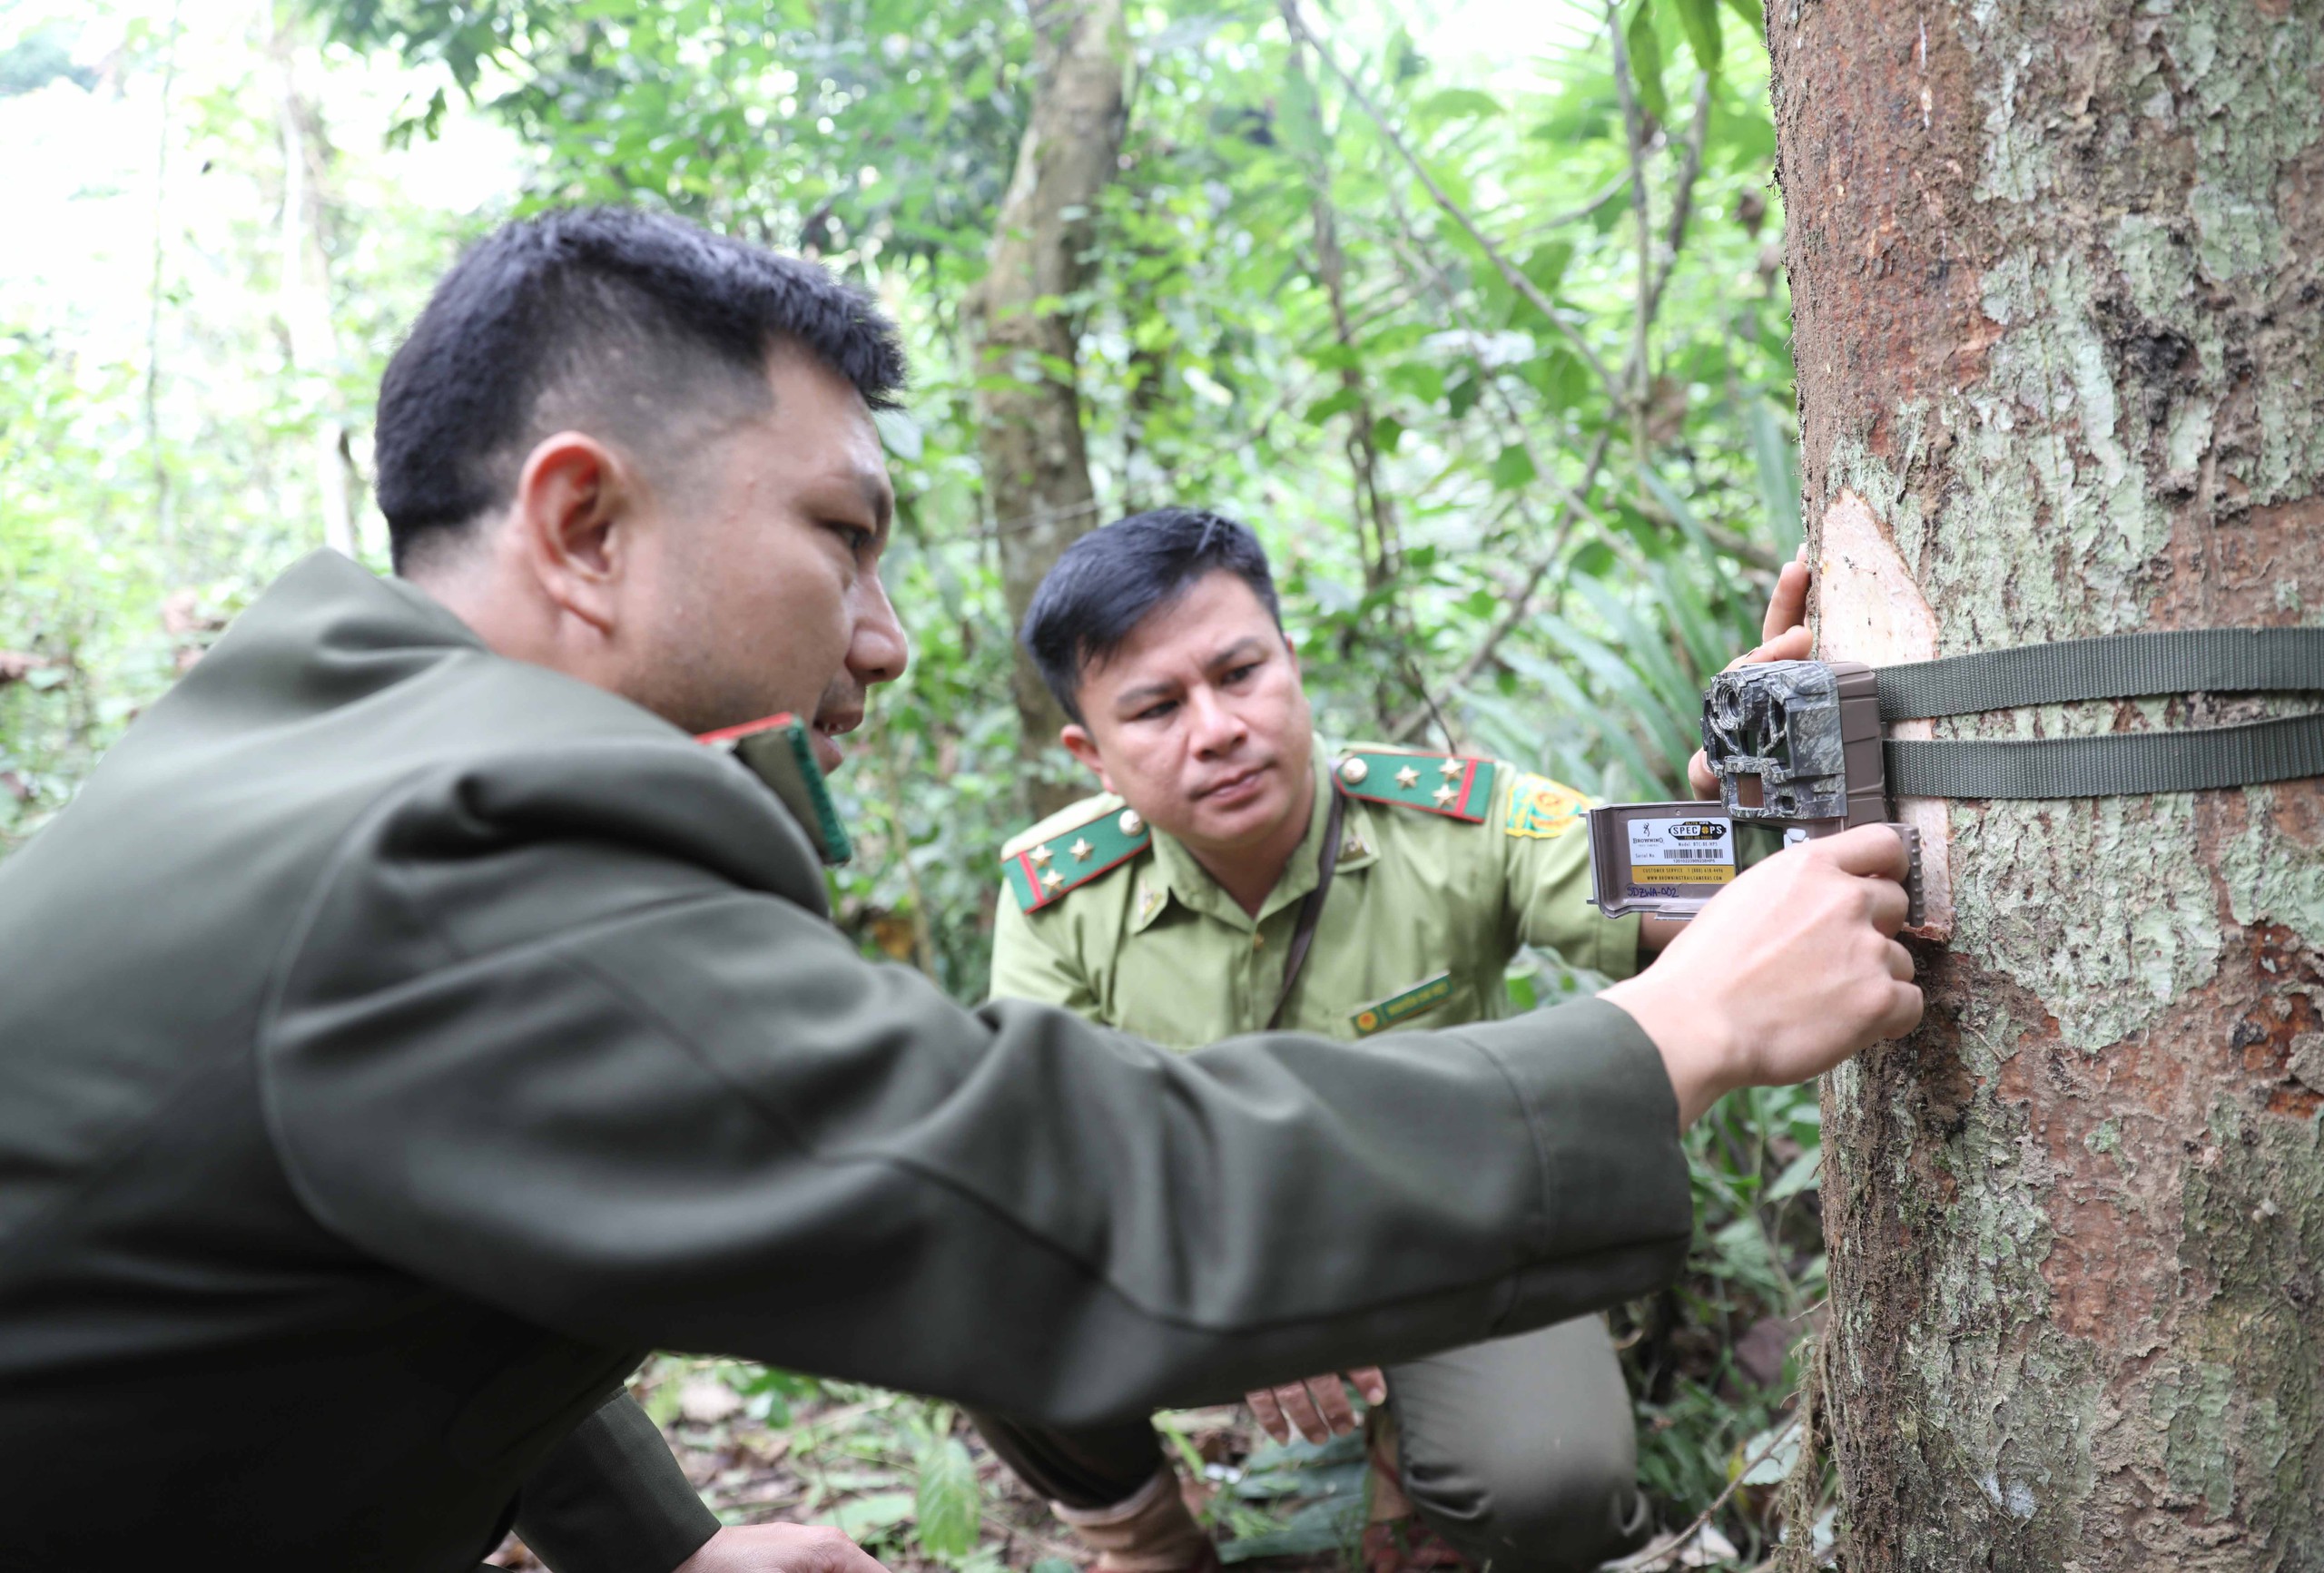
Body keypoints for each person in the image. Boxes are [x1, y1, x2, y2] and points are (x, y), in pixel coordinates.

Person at [0, 208, 1920, 1572]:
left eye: (1243, 673)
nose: (884, 635)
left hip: (1373, 1249)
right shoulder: (473, 834)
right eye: (840, 536)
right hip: (1208, 1258)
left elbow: (393, 1244)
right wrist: (1668, 1038)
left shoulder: (291, 751)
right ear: (583, 523)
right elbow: (1023, 1187)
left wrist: (1751, 793)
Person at [976, 508, 1814, 1573]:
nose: (1217, 727)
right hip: (1203, 1267)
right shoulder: (1059, 896)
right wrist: (1256, 1290)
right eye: (1154, 707)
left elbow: (1712, 902)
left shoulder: (1453, 821)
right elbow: (1048, 1152)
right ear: (1091, 755)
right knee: (965, 1269)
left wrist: (1743, 772)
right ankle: (1147, 1541)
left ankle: (1434, 1477)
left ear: (1290, 661)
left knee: (1549, 1482)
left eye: (1239, 672)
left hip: (1449, 1242)